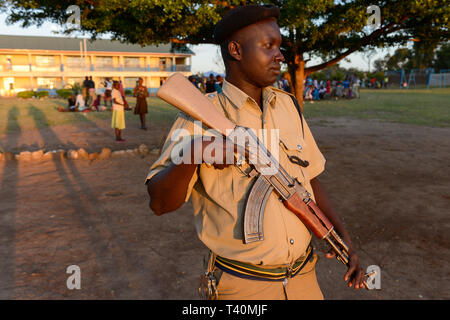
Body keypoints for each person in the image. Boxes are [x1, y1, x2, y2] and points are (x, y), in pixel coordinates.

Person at [146, 4, 366, 300]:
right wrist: (194, 153)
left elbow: (310, 180)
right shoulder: (200, 116)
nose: (280, 55)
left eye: (280, 46)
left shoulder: (288, 106)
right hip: (242, 288)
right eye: (268, 46)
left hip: (304, 279)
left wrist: (343, 240)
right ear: (235, 50)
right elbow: (160, 203)